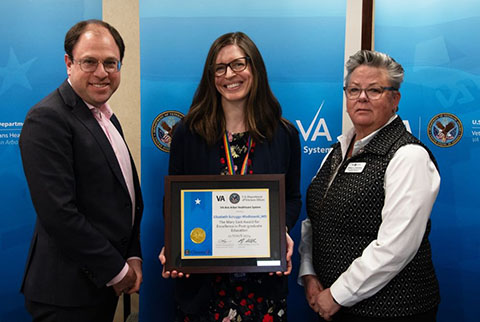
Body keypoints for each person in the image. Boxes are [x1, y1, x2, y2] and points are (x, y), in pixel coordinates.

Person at [159, 32, 302, 321]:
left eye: (238, 64)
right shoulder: (188, 133)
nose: (229, 75)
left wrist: (281, 231)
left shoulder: (284, 134)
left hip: (262, 287)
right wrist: (175, 243)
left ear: (255, 68)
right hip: (203, 288)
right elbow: (175, 200)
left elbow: (292, 197)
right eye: (220, 68)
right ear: (211, 76)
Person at [298, 50, 441, 322]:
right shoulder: (337, 151)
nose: (361, 98)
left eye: (374, 90)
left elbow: (396, 246)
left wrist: (338, 294)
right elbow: (314, 219)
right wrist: (308, 273)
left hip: (392, 312)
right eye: (354, 90)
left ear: (395, 99)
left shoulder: (408, 156)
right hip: (330, 304)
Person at [19, 19, 143, 321]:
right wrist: (117, 270)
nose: (102, 73)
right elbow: (59, 214)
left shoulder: (106, 117)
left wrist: (132, 255)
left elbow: (123, 198)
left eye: (111, 63)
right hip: (65, 296)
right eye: (90, 62)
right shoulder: (47, 118)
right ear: (68, 63)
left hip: (98, 287)